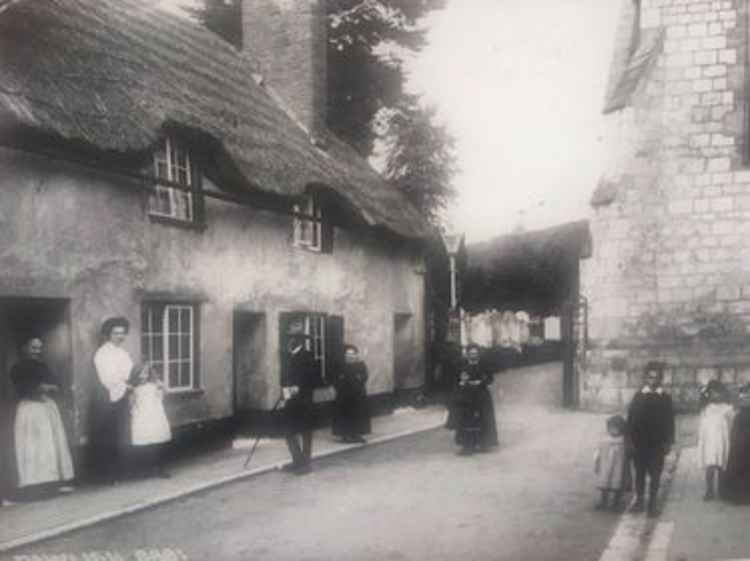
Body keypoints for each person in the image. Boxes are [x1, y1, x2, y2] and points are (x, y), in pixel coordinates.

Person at [11, 336, 75, 498]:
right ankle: (33, 485)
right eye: (33, 348)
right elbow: (22, 387)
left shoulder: (43, 366)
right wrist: (38, 388)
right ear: (24, 348)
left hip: (46, 407)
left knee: (49, 446)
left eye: (39, 348)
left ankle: (50, 483)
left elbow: (56, 383)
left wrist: (49, 387)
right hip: (30, 409)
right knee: (33, 447)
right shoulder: (18, 368)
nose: (37, 351)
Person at [627, 361, 675, 517]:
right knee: (639, 473)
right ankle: (639, 500)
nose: (653, 380)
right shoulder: (639, 396)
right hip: (640, 443)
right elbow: (631, 419)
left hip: (657, 443)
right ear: (646, 378)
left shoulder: (665, 398)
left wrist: (668, 441)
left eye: (656, 377)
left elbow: (670, 421)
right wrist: (630, 440)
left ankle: (652, 503)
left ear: (660, 379)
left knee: (655, 474)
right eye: (650, 377)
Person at [92, 317, 134, 484]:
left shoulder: (123, 353)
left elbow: (130, 372)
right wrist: (125, 385)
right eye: (116, 333)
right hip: (107, 398)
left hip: (121, 396)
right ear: (108, 334)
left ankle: (120, 472)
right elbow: (107, 379)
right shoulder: (102, 353)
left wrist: (130, 383)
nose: (120, 336)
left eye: (122, 333)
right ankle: (107, 475)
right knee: (108, 436)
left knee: (121, 434)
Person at [281, 320, 317, 475]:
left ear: (300, 341)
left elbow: (315, 379)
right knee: (288, 431)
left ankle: (306, 464)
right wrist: (284, 392)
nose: (291, 341)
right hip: (290, 400)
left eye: (294, 339)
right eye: (290, 338)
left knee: (305, 431)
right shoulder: (287, 357)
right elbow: (284, 378)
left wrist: (300, 387)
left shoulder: (308, 356)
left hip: (304, 401)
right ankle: (297, 460)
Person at [451, 344, 499, 455]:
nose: (473, 355)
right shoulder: (462, 365)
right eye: (471, 353)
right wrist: (461, 382)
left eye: (475, 353)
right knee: (466, 420)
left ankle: (483, 443)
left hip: (481, 395)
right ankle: (467, 445)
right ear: (467, 354)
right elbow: (456, 378)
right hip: (466, 396)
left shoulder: (483, 365)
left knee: (483, 419)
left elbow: (490, 379)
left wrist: (481, 382)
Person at [128, 363, 172, 479]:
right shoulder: (134, 388)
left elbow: (164, 394)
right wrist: (133, 409)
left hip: (154, 415)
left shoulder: (154, 386)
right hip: (142, 416)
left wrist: (160, 386)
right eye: (141, 374)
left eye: (146, 374)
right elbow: (131, 404)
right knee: (144, 444)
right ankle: (144, 470)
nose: (144, 377)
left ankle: (160, 468)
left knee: (157, 443)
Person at [697, 380, 734, 501]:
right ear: (709, 394)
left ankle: (722, 490)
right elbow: (702, 426)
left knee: (722, 466)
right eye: (712, 393)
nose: (716, 395)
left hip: (722, 440)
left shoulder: (728, 408)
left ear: (723, 393)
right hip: (709, 442)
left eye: (718, 393)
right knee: (710, 466)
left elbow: (731, 425)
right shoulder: (706, 409)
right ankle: (709, 490)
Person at [332, 345, 371, 444]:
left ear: (356, 355)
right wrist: (339, 385)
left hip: (357, 395)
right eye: (348, 354)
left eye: (352, 354)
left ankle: (357, 435)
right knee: (345, 415)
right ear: (345, 355)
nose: (350, 356)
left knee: (357, 414)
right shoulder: (341, 365)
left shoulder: (361, 365)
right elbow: (335, 379)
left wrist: (359, 380)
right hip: (344, 395)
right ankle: (345, 435)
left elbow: (365, 376)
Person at [594, 415, 630, 512]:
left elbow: (628, 454)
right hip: (606, 467)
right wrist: (597, 461)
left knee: (617, 485)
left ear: (622, 428)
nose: (613, 431)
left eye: (616, 428)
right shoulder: (604, 439)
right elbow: (598, 451)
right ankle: (603, 501)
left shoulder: (624, 441)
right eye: (611, 428)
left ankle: (616, 503)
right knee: (604, 485)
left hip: (618, 468)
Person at [722, 384, 750, 504]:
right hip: (742, 435)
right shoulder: (742, 396)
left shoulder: (740, 409)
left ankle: (740, 495)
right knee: (740, 463)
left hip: (741, 435)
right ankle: (739, 495)